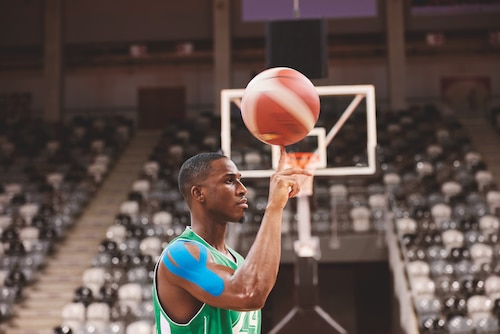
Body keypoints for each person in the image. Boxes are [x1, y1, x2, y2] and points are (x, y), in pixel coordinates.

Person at [152, 146, 311, 333]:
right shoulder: (180, 255)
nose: (243, 190)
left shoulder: (239, 261)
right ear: (198, 193)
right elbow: (249, 294)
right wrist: (274, 206)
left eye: (240, 181)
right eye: (229, 181)